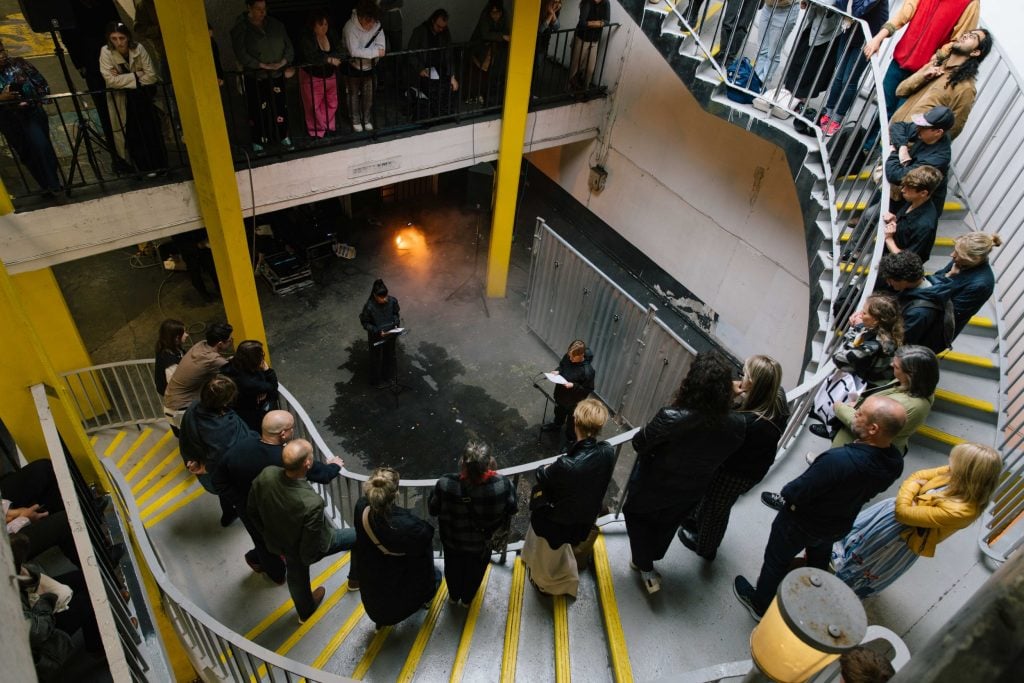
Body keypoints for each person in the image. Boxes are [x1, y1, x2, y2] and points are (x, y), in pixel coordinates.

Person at [733, 395, 907, 621]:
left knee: (776, 561)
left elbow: (795, 492)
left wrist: (788, 494)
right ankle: (811, 591)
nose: (854, 413)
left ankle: (759, 604)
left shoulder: (838, 460)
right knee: (818, 558)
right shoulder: (894, 461)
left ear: (873, 428)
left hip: (800, 523)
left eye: (860, 413)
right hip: (837, 524)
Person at [624, 351, 746, 593]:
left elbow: (639, 443)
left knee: (635, 516)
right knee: (668, 524)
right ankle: (653, 556)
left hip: (653, 485)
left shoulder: (671, 417)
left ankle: (644, 563)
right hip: (691, 490)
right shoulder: (737, 425)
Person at [832, 442, 1001, 599]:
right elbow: (916, 476)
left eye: (956, 460)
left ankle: (835, 590)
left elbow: (903, 513)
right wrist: (913, 492)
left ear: (967, 471)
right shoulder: (953, 474)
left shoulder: (963, 510)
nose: (949, 461)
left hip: (898, 539)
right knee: (851, 540)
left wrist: (913, 490)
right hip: (889, 520)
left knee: (863, 563)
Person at [213, 410, 347, 585]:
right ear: (283, 433)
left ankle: (269, 568)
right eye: (292, 428)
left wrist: (239, 500)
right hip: (280, 511)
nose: (293, 431)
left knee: (262, 541)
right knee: (284, 541)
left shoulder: (241, 446)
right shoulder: (286, 459)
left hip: (249, 509)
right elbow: (322, 475)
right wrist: (335, 466)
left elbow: (218, 479)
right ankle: (278, 568)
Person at [680, 355, 789, 561]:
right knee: (714, 504)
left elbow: (716, 428)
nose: (740, 377)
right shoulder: (777, 400)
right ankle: (696, 521)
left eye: (744, 374)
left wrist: (728, 398)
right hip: (752, 468)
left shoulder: (747, 422)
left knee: (716, 511)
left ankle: (705, 547)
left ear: (753, 384)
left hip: (733, 474)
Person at [247, 439, 356, 623]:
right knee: (359, 536)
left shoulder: (267, 474)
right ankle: (355, 580)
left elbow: (252, 509)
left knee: (296, 575)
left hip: (280, 541)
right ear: (307, 463)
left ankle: (305, 611)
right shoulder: (311, 503)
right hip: (311, 546)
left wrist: (267, 535)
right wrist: (307, 558)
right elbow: (311, 540)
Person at [522, 398, 615, 597]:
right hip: (582, 518)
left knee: (547, 556)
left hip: (557, 522)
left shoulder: (566, 465)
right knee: (558, 553)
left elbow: (542, 474)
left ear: (575, 422)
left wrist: (546, 467)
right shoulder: (607, 452)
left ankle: (544, 584)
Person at [804, 344, 937, 459]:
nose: (891, 365)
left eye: (896, 366)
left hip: (857, 447)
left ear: (911, 375)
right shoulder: (911, 383)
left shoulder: (907, 406)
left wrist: (840, 408)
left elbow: (868, 426)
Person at [428, 441, 517, 606]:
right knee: (475, 572)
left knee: (453, 569)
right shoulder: (503, 484)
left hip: (452, 541)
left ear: (463, 463)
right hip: (482, 543)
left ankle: (454, 597)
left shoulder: (445, 483)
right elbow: (512, 509)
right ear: (488, 464)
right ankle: (467, 600)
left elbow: (433, 510)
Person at [862, 0, 980, 119]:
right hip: (899, 61)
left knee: (899, 119)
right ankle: (869, 138)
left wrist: (938, 57)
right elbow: (904, 13)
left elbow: (960, 39)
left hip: (925, 74)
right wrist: (878, 38)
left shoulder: (971, 3)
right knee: (881, 112)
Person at [353, 467, 439, 628]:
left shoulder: (361, 508)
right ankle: (427, 598)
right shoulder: (408, 526)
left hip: (372, 600)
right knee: (436, 575)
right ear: (395, 494)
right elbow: (425, 541)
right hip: (396, 604)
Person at [179, 375, 256, 527]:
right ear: (224, 401)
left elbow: (186, 437)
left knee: (224, 493)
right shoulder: (224, 426)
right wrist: (206, 467)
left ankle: (228, 515)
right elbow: (223, 458)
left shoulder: (193, 409)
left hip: (213, 475)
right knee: (242, 497)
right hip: (229, 474)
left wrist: (197, 463)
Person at [890, 28, 992, 140]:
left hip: (908, 148)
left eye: (972, 37)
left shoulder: (966, 88)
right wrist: (922, 77)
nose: (965, 35)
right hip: (891, 134)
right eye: (966, 33)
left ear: (975, 52)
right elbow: (900, 91)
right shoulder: (935, 65)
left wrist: (920, 145)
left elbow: (953, 129)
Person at [99, 22, 167, 177]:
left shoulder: (138, 48)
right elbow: (110, 81)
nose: (119, 42)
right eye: (114, 39)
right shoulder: (106, 52)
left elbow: (151, 75)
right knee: (132, 134)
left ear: (128, 37)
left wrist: (124, 79)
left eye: (122, 38)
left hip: (143, 97)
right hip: (123, 99)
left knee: (152, 131)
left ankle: (161, 166)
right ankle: (143, 168)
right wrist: (136, 75)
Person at [0, 40, 62, 196]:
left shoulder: (19, 64)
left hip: (31, 112)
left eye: (1, 51)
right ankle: (45, 184)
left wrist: (31, 97)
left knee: (42, 146)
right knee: (25, 153)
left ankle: (54, 183)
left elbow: (42, 84)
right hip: (7, 118)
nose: (1, 56)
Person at [231, 0, 295, 151]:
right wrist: (261, 65)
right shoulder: (241, 28)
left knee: (280, 106)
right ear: (249, 8)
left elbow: (289, 47)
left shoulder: (275, 25)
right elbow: (241, 53)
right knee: (257, 108)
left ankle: (282, 135)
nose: (262, 13)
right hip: (256, 75)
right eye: (258, 9)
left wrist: (283, 62)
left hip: (277, 73)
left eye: (264, 9)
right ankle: (258, 140)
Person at [928, 232, 1001, 338]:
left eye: (957, 253)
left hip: (935, 330)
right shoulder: (962, 260)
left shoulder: (981, 285)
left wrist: (947, 279)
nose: (952, 255)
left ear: (974, 258)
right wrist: (949, 275)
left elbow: (949, 314)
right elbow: (936, 276)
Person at [886, 105, 954, 215]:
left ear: (938, 132)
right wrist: (902, 146)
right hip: (908, 196)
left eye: (923, 127)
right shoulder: (925, 131)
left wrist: (894, 152)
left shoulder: (938, 158)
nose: (917, 128)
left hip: (917, 211)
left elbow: (896, 175)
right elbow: (898, 126)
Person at [880, 253, 953, 354]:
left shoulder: (919, 312)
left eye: (890, 280)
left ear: (904, 280)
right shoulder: (927, 284)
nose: (888, 283)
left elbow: (899, 341)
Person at [163, 322, 233, 417]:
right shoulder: (213, 359)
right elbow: (235, 371)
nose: (231, 341)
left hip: (171, 402)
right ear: (220, 344)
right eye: (230, 340)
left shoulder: (200, 344)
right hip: (181, 409)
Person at [881, 165, 943, 263]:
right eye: (904, 186)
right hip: (887, 257)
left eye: (908, 188)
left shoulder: (925, 224)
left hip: (896, 269)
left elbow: (906, 261)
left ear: (923, 193)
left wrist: (889, 239)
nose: (902, 190)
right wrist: (895, 220)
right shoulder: (913, 200)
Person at [297, 10, 343, 138]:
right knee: (313, 105)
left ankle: (329, 127)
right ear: (313, 26)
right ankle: (316, 130)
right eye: (321, 25)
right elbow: (311, 56)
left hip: (329, 75)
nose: (324, 28)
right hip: (312, 76)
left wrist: (332, 58)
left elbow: (341, 50)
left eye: (326, 24)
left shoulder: (331, 34)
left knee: (331, 102)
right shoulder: (306, 38)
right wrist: (328, 59)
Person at [541, 340, 596, 445]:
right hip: (560, 394)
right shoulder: (568, 356)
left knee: (572, 423)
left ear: (581, 355)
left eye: (573, 357)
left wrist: (573, 386)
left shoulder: (588, 371)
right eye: (569, 356)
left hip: (574, 402)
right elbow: (562, 365)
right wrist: (558, 371)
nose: (570, 359)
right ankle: (557, 425)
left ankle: (570, 440)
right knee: (558, 412)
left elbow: (588, 389)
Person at [342, 1, 386, 133]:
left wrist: (366, 53)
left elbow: (382, 48)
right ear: (360, 17)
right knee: (353, 94)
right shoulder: (350, 27)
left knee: (369, 95)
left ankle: (366, 119)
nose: (371, 25)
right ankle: (355, 120)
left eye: (373, 21)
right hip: (352, 66)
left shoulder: (377, 25)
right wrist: (374, 53)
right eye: (368, 21)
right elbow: (354, 51)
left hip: (371, 67)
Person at [407, 8, 459, 119]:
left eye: (443, 27)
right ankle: (434, 114)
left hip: (439, 68)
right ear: (432, 21)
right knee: (432, 90)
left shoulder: (445, 32)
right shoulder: (420, 31)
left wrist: (452, 76)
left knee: (448, 88)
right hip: (423, 69)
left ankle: (443, 115)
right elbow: (411, 53)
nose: (441, 29)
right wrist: (420, 69)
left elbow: (449, 55)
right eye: (438, 26)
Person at [221, 339, 278, 432]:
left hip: (236, 407)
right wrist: (267, 370)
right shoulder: (250, 383)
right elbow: (272, 388)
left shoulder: (232, 365)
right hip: (249, 414)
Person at [466, 1, 510, 105]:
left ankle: (487, 96)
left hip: (495, 51)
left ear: (501, 11)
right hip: (480, 48)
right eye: (493, 12)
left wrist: (501, 37)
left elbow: (507, 31)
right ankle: (475, 95)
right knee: (477, 74)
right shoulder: (485, 15)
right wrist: (502, 37)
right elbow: (485, 34)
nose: (495, 15)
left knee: (494, 74)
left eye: (497, 12)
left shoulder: (505, 15)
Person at [359, 278, 401, 387]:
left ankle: (387, 376)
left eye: (385, 296)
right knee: (376, 358)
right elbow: (365, 323)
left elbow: (396, 314)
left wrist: (396, 323)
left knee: (389, 355)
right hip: (376, 337)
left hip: (390, 334)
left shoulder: (392, 301)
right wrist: (377, 331)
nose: (384, 299)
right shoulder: (369, 307)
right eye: (381, 297)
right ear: (374, 295)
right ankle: (376, 381)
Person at [567, 0, 609, 92]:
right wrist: (598, 23)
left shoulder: (606, 3)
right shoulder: (587, 2)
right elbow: (582, 23)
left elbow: (607, 21)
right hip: (582, 38)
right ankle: (568, 90)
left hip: (594, 41)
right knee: (575, 67)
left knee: (590, 69)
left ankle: (584, 90)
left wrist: (591, 23)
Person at [154, 318, 188, 396]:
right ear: (176, 338)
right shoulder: (169, 362)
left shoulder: (172, 347)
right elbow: (178, 387)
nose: (187, 335)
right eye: (184, 333)